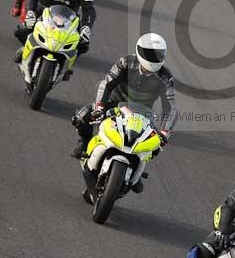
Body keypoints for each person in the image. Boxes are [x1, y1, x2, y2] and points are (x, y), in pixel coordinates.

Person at [71, 32, 178, 198]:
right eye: (151, 54)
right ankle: (85, 144)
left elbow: (171, 107)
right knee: (83, 116)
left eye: (158, 55)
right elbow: (106, 83)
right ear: (140, 51)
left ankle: (136, 166)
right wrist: (99, 106)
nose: (154, 58)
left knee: (155, 143)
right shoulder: (126, 62)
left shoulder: (166, 76)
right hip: (113, 105)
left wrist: (165, 131)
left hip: (143, 114)